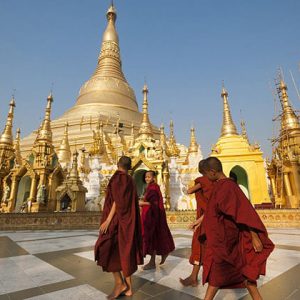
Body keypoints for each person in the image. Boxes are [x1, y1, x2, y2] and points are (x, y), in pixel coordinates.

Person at [201, 157, 274, 300]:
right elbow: (214, 211)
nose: (205, 178)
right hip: (223, 239)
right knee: (245, 276)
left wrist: (254, 237)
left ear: (213, 172)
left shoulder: (228, 187)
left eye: (205, 174)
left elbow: (244, 213)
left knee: (220, 274)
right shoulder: (220, 186)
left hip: (228, 242)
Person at [94, 156, 143, 300]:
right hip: (127, 221)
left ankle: (119, 283)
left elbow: (117, 200)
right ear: (130, 167)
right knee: (124, 252)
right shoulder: (130, 180)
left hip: (116, 221)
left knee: (105, 248)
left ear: (117, 164)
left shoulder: (119, 179)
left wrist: (108, 220)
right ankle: (128, 289)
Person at [180, 159, 214, 287]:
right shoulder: (215, 182)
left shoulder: (203, 181)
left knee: (199, 246)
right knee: (201, 247)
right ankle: (193, 277)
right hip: (208, 218)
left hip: (205, 219)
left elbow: (189, 191)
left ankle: (195, 277)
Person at [139, 170, 175, 270]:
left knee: (152, 238)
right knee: (155, 237)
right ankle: (164, 252)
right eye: (146, 177)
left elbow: (153, 203)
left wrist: (142, 203)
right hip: (150, 216)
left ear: (153, 178)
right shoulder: (150, 187)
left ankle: (152, 262)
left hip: (153, 217)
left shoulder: (153, 187)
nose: (147, 179)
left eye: (149, 177)